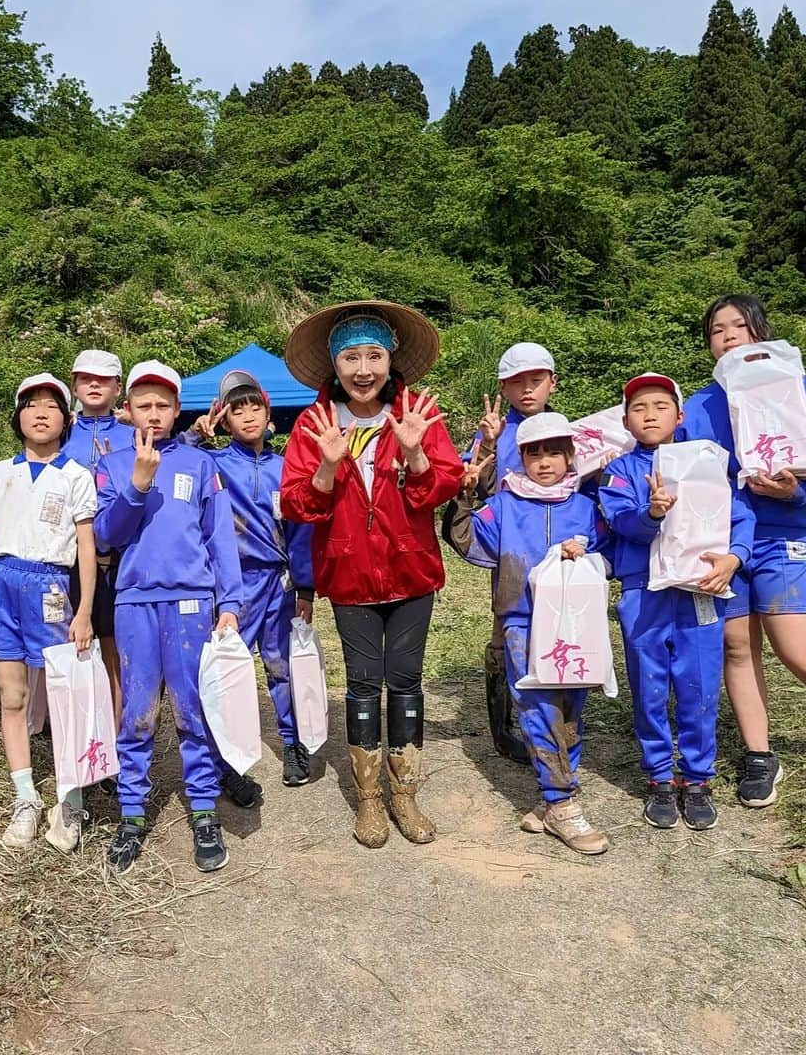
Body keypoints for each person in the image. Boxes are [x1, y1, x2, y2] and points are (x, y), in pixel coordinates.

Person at [281, 301, 463, 848]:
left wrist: (417, 455)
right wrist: (330, 465)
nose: (363, 369)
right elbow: (297, 505)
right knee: (362, 684)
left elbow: (443, 487)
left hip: (411, 572)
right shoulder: (315, 425)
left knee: (405, 681)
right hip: (349, 576)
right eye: (351, 357)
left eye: (374, 355)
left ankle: (405, 794)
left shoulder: (416, 417)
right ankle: (369, 800)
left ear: (390, 360)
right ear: (334, 366)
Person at [679, 295, 806, 807]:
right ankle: (759, 754)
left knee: (802, 655)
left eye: (738, 325)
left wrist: (797, 491)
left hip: (781, 540)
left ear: (760, 333)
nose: (727, 335)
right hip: (722, 543)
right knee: (736, 647)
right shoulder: (699, 404)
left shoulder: (798, 390)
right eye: (716, 330)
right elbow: (676, 460)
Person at [95, 360, 243, 875]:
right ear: (126, 409)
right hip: (134, 602)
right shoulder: (112, 463)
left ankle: (203, 810)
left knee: (191, 709)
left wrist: (230, 603)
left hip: (192, 603)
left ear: (178, 410)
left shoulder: (200, 465)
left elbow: (219, 538)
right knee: (137, 714)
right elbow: (105, 536)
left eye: (163, 405)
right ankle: (132, 814)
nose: (153, 415)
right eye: (143, 405)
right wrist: (137, 482)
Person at [445, 413, 609, 854]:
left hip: (576, 625)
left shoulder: (587, 506)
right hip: (522, 620)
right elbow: (467, 540)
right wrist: (461, 498)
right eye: (533, 452)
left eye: (554, 452)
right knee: (538, 707)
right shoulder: (505, 504)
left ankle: (552, 793)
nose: (544, 461)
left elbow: (611, 553)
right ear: (521, 457)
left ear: (570, 456)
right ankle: (562, 802)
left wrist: (588, 551)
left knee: (571, 707)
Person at [599, 374, 754, 830]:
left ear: (680, 417)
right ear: (625, 421)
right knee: (648, 686)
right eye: (639, 407)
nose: (650, 414)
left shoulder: (706, 463)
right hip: (643, 592)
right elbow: (619, 520)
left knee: (700, 685)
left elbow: (739, 515)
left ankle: (698, 778)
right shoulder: (622, 470)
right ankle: (660, 777)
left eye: (661, 406)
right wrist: (652, 512)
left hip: (700, 592)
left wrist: (734, 557)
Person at [0, 373, 97, 852]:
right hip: (3, 583)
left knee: (61, 697)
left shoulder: (75, 475)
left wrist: (85, 612)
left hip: (51, 587)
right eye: (30, 405)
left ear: (65, 420)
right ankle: (25, 800)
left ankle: (69, 800)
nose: (40, 412)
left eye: (51, 406)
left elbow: (87, 550)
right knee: (11, 696)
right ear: (18, 417)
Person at [187, 369, 316, 796]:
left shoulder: (287, 468)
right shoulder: (213, 462)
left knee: (281, 666)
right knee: (227, 671)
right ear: (223, 420)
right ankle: (226, 763)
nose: (246, 415)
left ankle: (294, 743)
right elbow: (175, 463)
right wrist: (194, 437)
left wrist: (305, 587)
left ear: (268, 414)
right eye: (235, 409)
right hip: (230, 585)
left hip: (277, 582)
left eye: (253, 406)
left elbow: (300, 531)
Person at [470, 343, 559, 765]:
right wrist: (487, 447)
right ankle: (505, 727)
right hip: (511, 551)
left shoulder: (564, 432)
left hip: (557, 550)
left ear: (552, 383)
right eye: (517, 382)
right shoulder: (494, 432)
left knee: (556, 628)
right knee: (506, 630)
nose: (528, 390)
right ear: (504, 388)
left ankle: (555, 711)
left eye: (536, 381)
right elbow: (477, 488)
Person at [62, 349, 133, 731]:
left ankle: (118, 743)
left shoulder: (133, 434)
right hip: (69, 559)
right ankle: (76, 738)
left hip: (120, 561)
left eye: (103, 379)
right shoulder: (61, 431)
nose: (93, 384)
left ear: (117, 388)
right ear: (73, 386)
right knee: (71, 649)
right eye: (85, 378)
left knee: (114, 654)